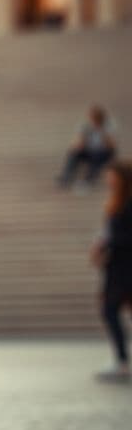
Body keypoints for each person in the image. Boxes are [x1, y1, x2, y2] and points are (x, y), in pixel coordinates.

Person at [90, 160, 132, 383]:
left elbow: (123, 237)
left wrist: (108, 245)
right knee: (110, 310)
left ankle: (122, 360)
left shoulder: (128, 204)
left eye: (111, 175)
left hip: (124, 268)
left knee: (110, 310)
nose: (108, 180)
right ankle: (121, 359)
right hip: (117, 267)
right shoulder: (116, 203)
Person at [57, 105, 118, 189]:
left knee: (97, 155)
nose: (93, 121)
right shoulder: (86, 125)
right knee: (73, 153)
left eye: (95, 119)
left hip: (103, 151)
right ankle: (66, 177)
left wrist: (102, 132)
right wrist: (78, 145)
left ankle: (88, 180)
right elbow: (79, 140)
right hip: (89, 150)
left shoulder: (109, 126)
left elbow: (111, 146)